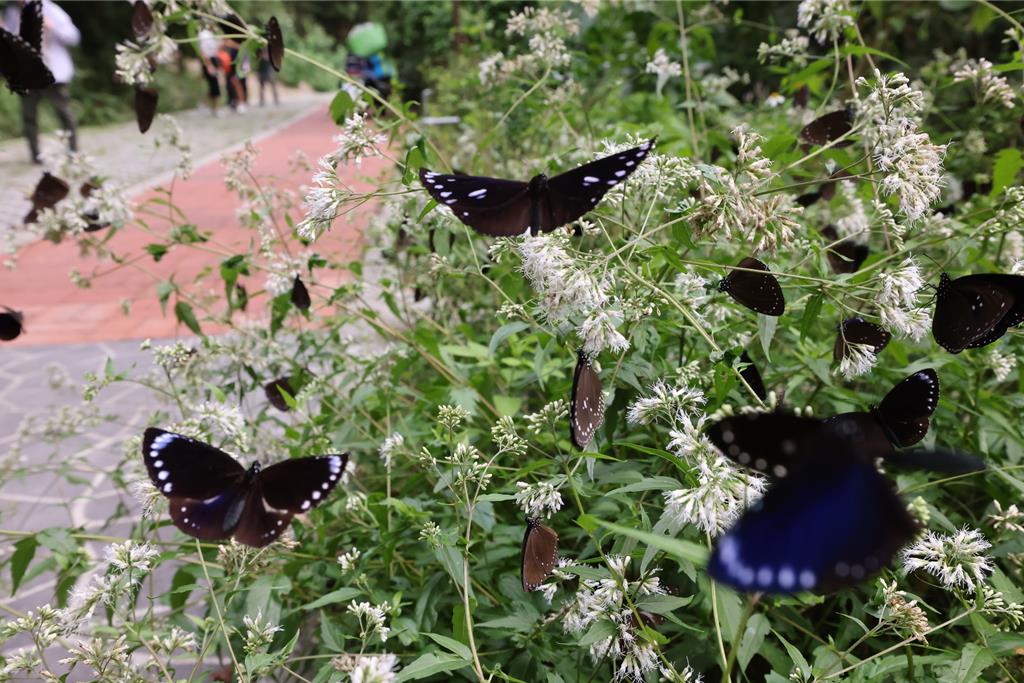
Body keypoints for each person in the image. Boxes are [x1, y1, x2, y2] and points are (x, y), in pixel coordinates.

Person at [3, 0, 80, 163]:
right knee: (28, 116)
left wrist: (52, 26)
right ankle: (35, 155)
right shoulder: (12, 13)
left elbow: (74, 37)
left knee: (63, 112)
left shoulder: (51, 9)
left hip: (53, 72)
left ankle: (73, 152)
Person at [197, 28, 222, 117]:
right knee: (214, 86)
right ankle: (213, 108)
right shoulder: (204, 34)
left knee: (214, 86)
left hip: (212, 60)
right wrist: (209, 65)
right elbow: (203, 51)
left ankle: (207, 105)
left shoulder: (212, 34)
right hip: (209, 61)